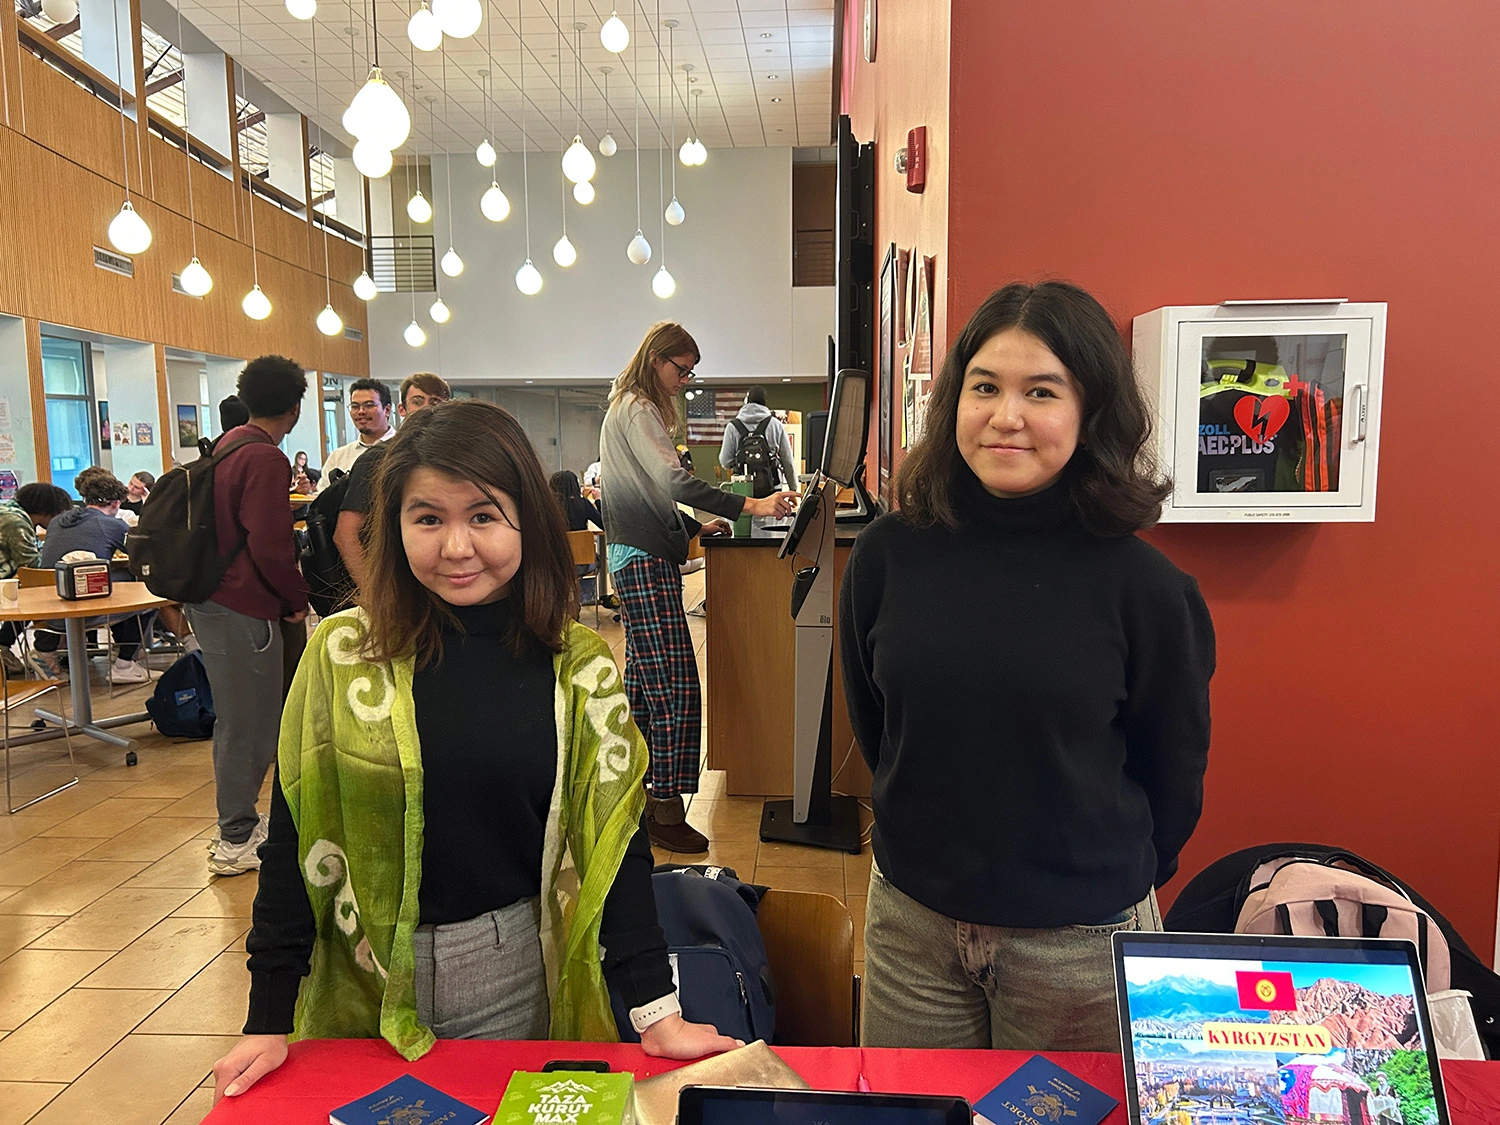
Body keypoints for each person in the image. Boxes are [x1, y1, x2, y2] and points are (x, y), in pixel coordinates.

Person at [210, 400, 740, 1103]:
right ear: (393, 529)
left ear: (526, 521)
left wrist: (656, 1010)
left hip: (512, 976)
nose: (456, 546)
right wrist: (266, 1017)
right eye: (428, 518)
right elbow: (293, 839)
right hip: (355, 982)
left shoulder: (574, 667)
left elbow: (617, 845)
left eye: (484, 516)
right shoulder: (341, 655)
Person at [840, 281, 1215, 1052]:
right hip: (914, 925)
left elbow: (1173, 773)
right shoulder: (888, 555)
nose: (1006, 415)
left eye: (1040, 390)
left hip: (1079, 943)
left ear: (1092, 410)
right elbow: (880, 727)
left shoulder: (1146, 589)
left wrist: (1092, 880)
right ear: (954, 403)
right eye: (985, 387)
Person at [599, 322, 798, 853]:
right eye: (681, 370)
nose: (685, 382)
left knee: (644, 687)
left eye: (691, 373)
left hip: (634, 554)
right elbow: (669, 483)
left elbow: (643, 491)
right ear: (656, 358)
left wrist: (692, 528)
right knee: (679, 687)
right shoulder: (637, 407)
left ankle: (638, 798)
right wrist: (749, 505)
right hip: (642, 559)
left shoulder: (626, 406)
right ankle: (664, 808)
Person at [186, 356, 310, 877]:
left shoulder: (227, 446)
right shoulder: (263, 458)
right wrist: (295, 598)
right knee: (249, 723)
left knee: (251, 718)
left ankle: (246, 824)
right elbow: (268, 542)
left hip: (213, 597)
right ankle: (235, 836)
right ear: (296, 406)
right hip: (242, 603)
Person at [29, 468, 150, 683]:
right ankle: (124, 663)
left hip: (46, 610)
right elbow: (142, 555)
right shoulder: (113, 524)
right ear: (115, 503)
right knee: (146, 595)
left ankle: (44, 650)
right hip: (85, 607)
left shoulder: (58, 521)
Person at [333, 372, 451, 590]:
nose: (426, 408)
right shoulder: (377, 458)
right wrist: (374, 593)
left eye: (435, 401)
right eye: (417, 401)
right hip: (397, 580)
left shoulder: (454, 459)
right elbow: (346, 534)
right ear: (402, 409)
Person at [0, 483, 73, 678]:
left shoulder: (8, 511)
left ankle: (4, 646)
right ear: (47, 510)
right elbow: (32, 564)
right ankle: (43, 652)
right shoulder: (15, 522)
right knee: (43, 589)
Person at [718, 386, 798, 496]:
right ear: (765, 403)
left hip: (742, 488)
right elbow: (787, 462)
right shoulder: (775, 425)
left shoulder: (732, 427)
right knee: (772, 513)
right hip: (772, 488)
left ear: (746, 401)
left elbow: (725, 461)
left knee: (745, 513)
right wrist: (792, 490)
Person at [318, 378, 394, 489]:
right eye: (355, 406)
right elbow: (323, 499)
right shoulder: (339, 457)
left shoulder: (404, 449)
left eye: (369, 405)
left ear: (387, 410)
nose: (361, 411)